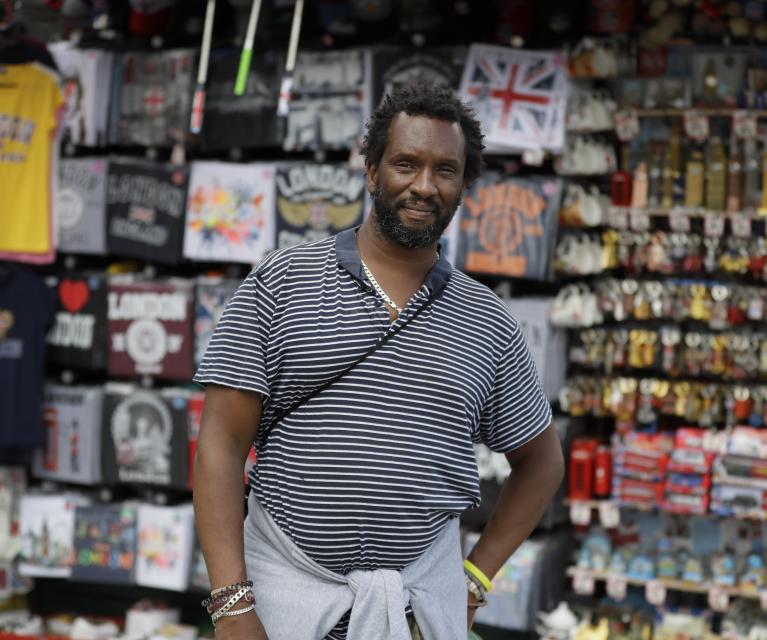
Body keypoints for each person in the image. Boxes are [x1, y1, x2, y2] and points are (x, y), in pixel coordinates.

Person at [193, 83, 565, 640]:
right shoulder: (281, 283)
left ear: (464, 186)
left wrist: (473, 581)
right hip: (283, 601)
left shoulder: (488, 322)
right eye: (405, 163)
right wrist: (231, 604)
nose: (423, 185)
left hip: (418, 611)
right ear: (372, 171)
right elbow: (220, 445)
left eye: (446, 170)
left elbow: (541, 463)